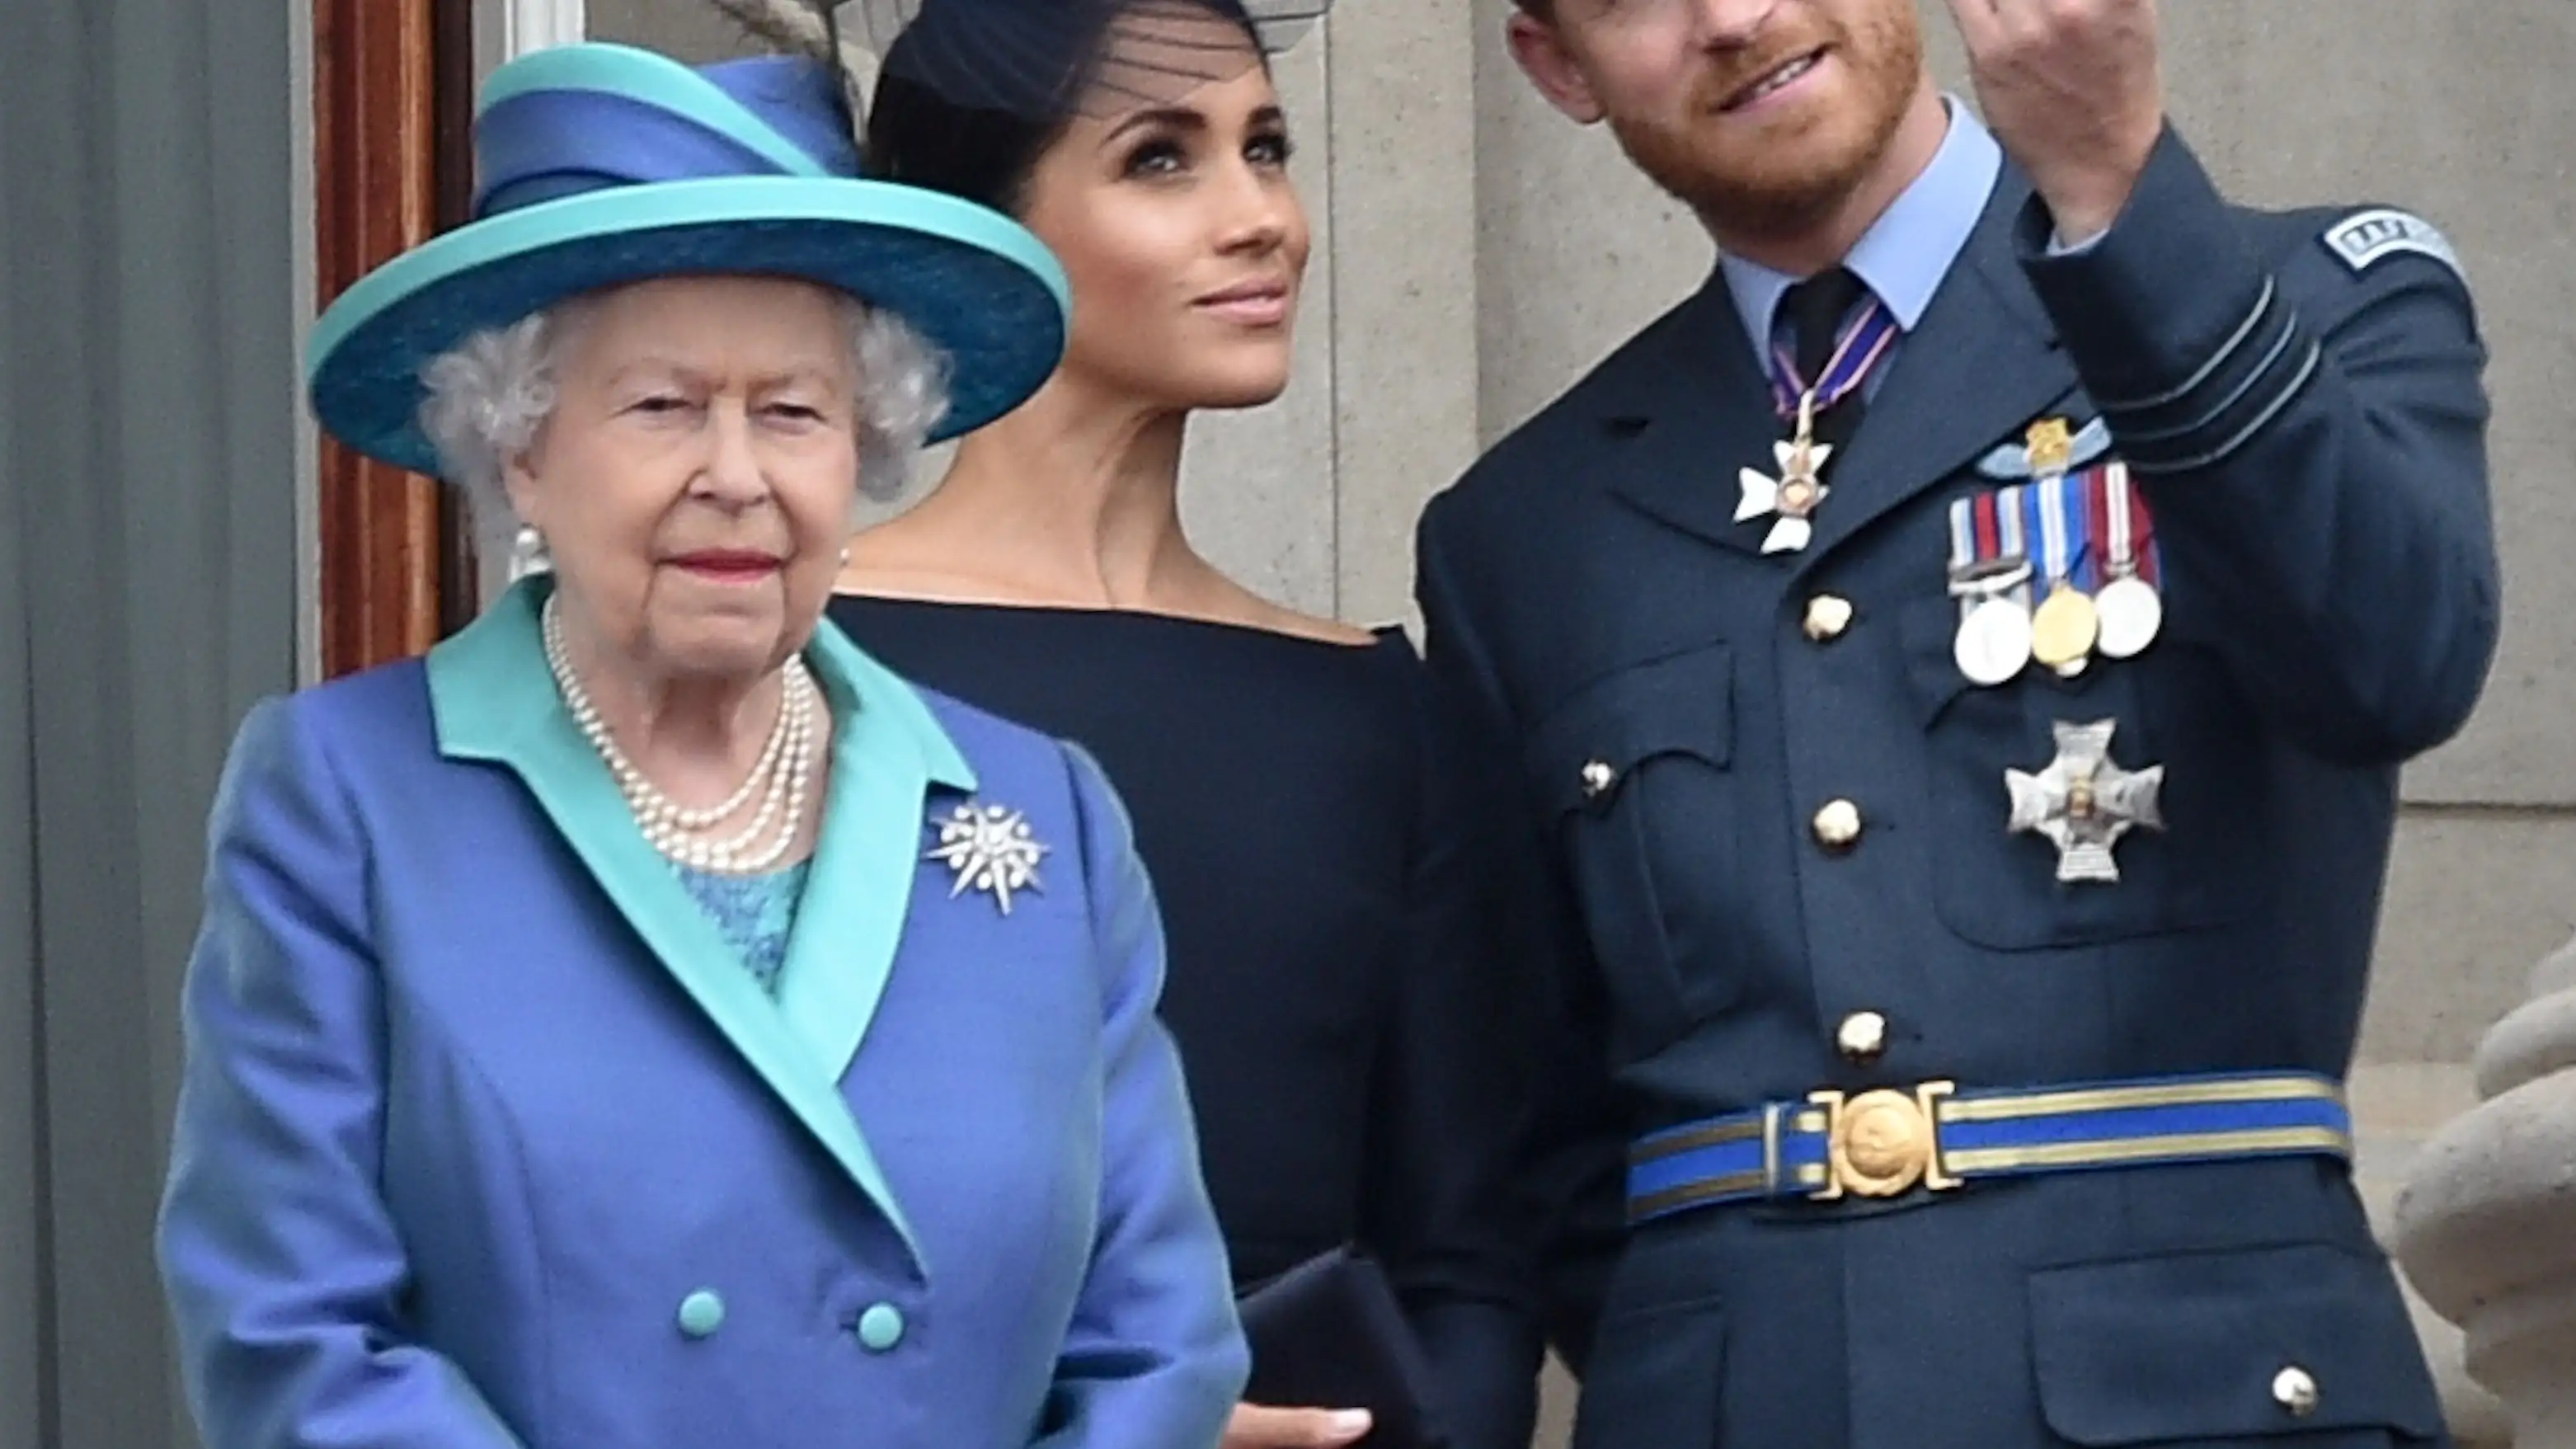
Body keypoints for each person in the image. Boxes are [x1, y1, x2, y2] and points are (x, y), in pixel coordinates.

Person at [1415, 1, 2496, 1446]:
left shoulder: (2299, 295)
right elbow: (1536, 1139)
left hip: (2207, 1401)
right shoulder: (1523, 529)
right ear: (1558, 66)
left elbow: (2398, 661)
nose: (1734, 17)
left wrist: (2113, 185)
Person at [156, 40, 1248, 1449]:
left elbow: (1160, 1343)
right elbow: (292, 1331)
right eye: (663, 405)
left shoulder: (1049, 815)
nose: (736, 476)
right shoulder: (349, 800)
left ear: (863, 452)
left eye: (793, 411)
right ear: (523, 450)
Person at [709, 2, 1544, 1447]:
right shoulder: (782, 663)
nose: (1263, 218)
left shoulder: (1378, 711)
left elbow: (1470, 1262)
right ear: (977, 229)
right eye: (1164, 160)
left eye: (1266, 149)